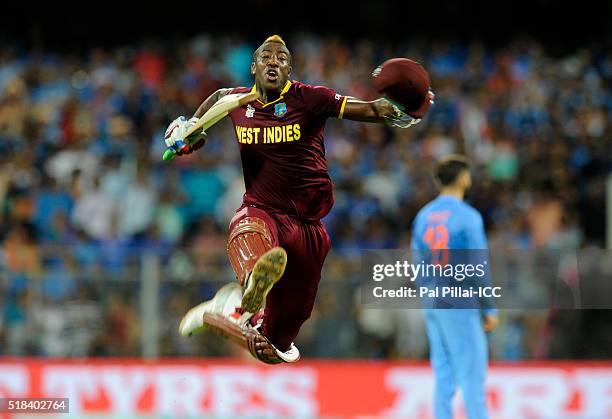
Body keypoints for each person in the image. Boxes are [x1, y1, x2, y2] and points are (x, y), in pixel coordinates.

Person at [168, 35, 434, 364]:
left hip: (309, 227)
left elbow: (371, 110)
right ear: (253, 67)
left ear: (289, 69)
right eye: (266, 57)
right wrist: (185, 130)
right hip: (262, 210)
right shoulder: (234, 102)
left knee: (274, 349)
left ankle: (222, 311)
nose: (273, 62)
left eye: (281, 58)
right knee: (246, 229)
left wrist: (409, 108)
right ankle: (252, 282)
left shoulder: (310, 98)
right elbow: (203, 116)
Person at [411, 155, 498, 419]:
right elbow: (476, 266)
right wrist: (489, 307)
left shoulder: (423, 215)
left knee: (444, 372)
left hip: (432, 300)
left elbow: (417, 264)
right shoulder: (468, 217)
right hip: (459, 299)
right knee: (472, 374)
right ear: (463, 179)